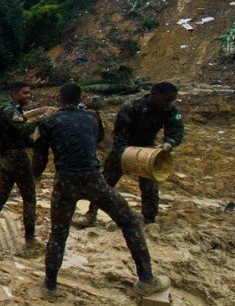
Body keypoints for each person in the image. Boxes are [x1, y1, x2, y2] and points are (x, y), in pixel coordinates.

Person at [32, 83, 171, 300]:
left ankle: (49, 287)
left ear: (59, 97)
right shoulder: (91, 117)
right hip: (94, 180)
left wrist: (37, 174)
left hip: (65, 182)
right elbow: (96, 139)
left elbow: (40, 158)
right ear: (80, 98)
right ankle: (146, 279)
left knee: (58, 234)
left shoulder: (47, 122)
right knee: (130, 222)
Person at [74, 81, 184, 227]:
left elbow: (176, 130)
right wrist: (126, 154)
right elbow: (119, 137)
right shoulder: (131, 108)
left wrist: (169, 143)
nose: (167, 104)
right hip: (123, 148)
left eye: (171, 100)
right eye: (165, 100)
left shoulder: (170, 110)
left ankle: (149, 219)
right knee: (105, 184)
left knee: (150, 187)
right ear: (154, 94)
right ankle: (91, 214)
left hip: (148, 151)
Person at [0, 81, 53, 250]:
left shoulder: (14, 111)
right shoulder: (9, 111)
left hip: (6, 161)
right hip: (17, 161)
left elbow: (21, 137)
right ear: (15, 94)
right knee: (29, 198)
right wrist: (44, 118)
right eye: (25, 93)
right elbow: (24, 129)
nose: (28, 96)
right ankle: (30, 238)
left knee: (1, 196)